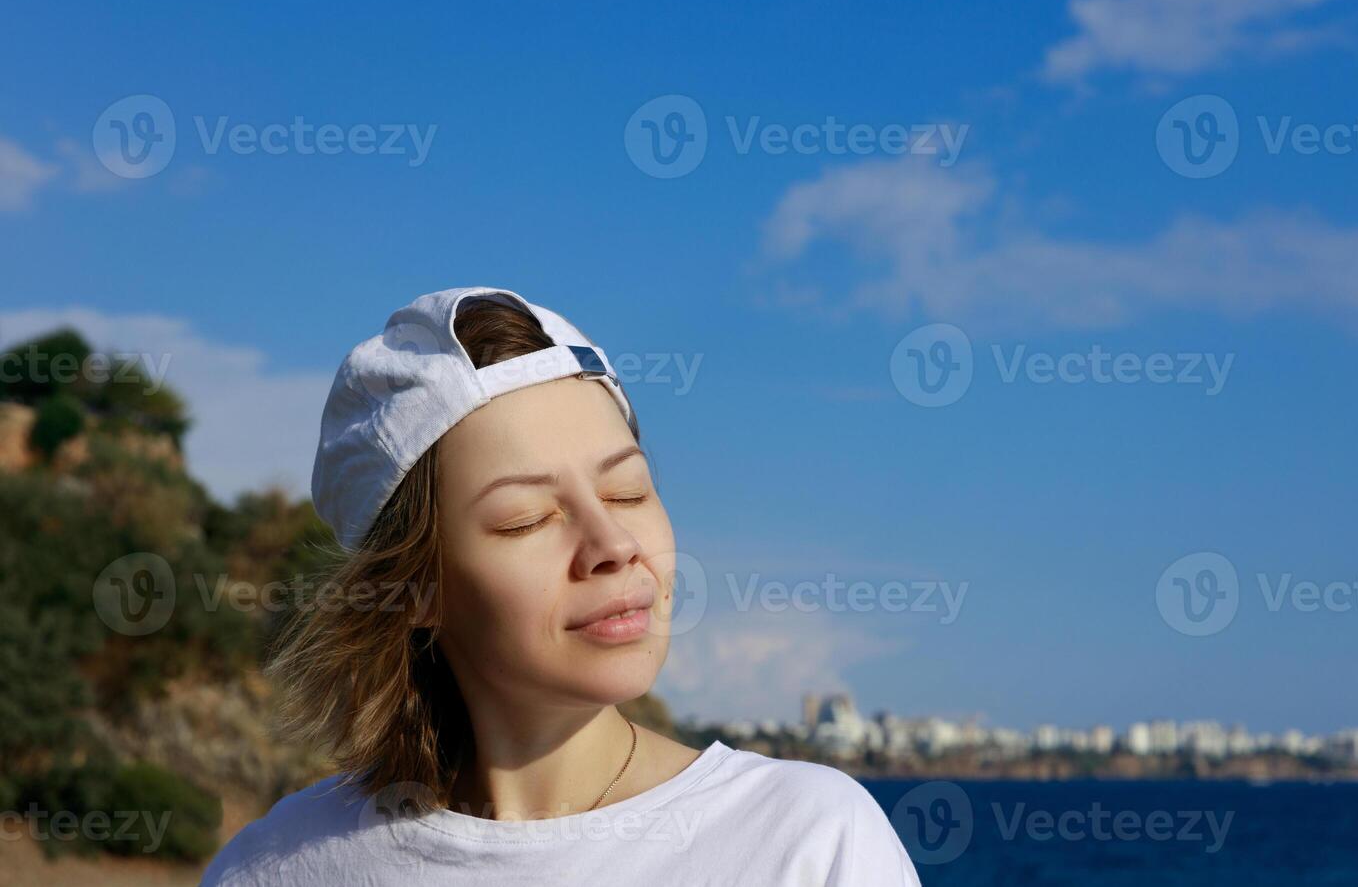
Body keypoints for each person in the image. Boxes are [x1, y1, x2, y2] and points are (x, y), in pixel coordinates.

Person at [200, 286, 923, 886]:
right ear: (413, 587)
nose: (613, 547)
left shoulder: (806, 841)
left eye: (629, 490)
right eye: (526, 519)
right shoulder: (278, 868)